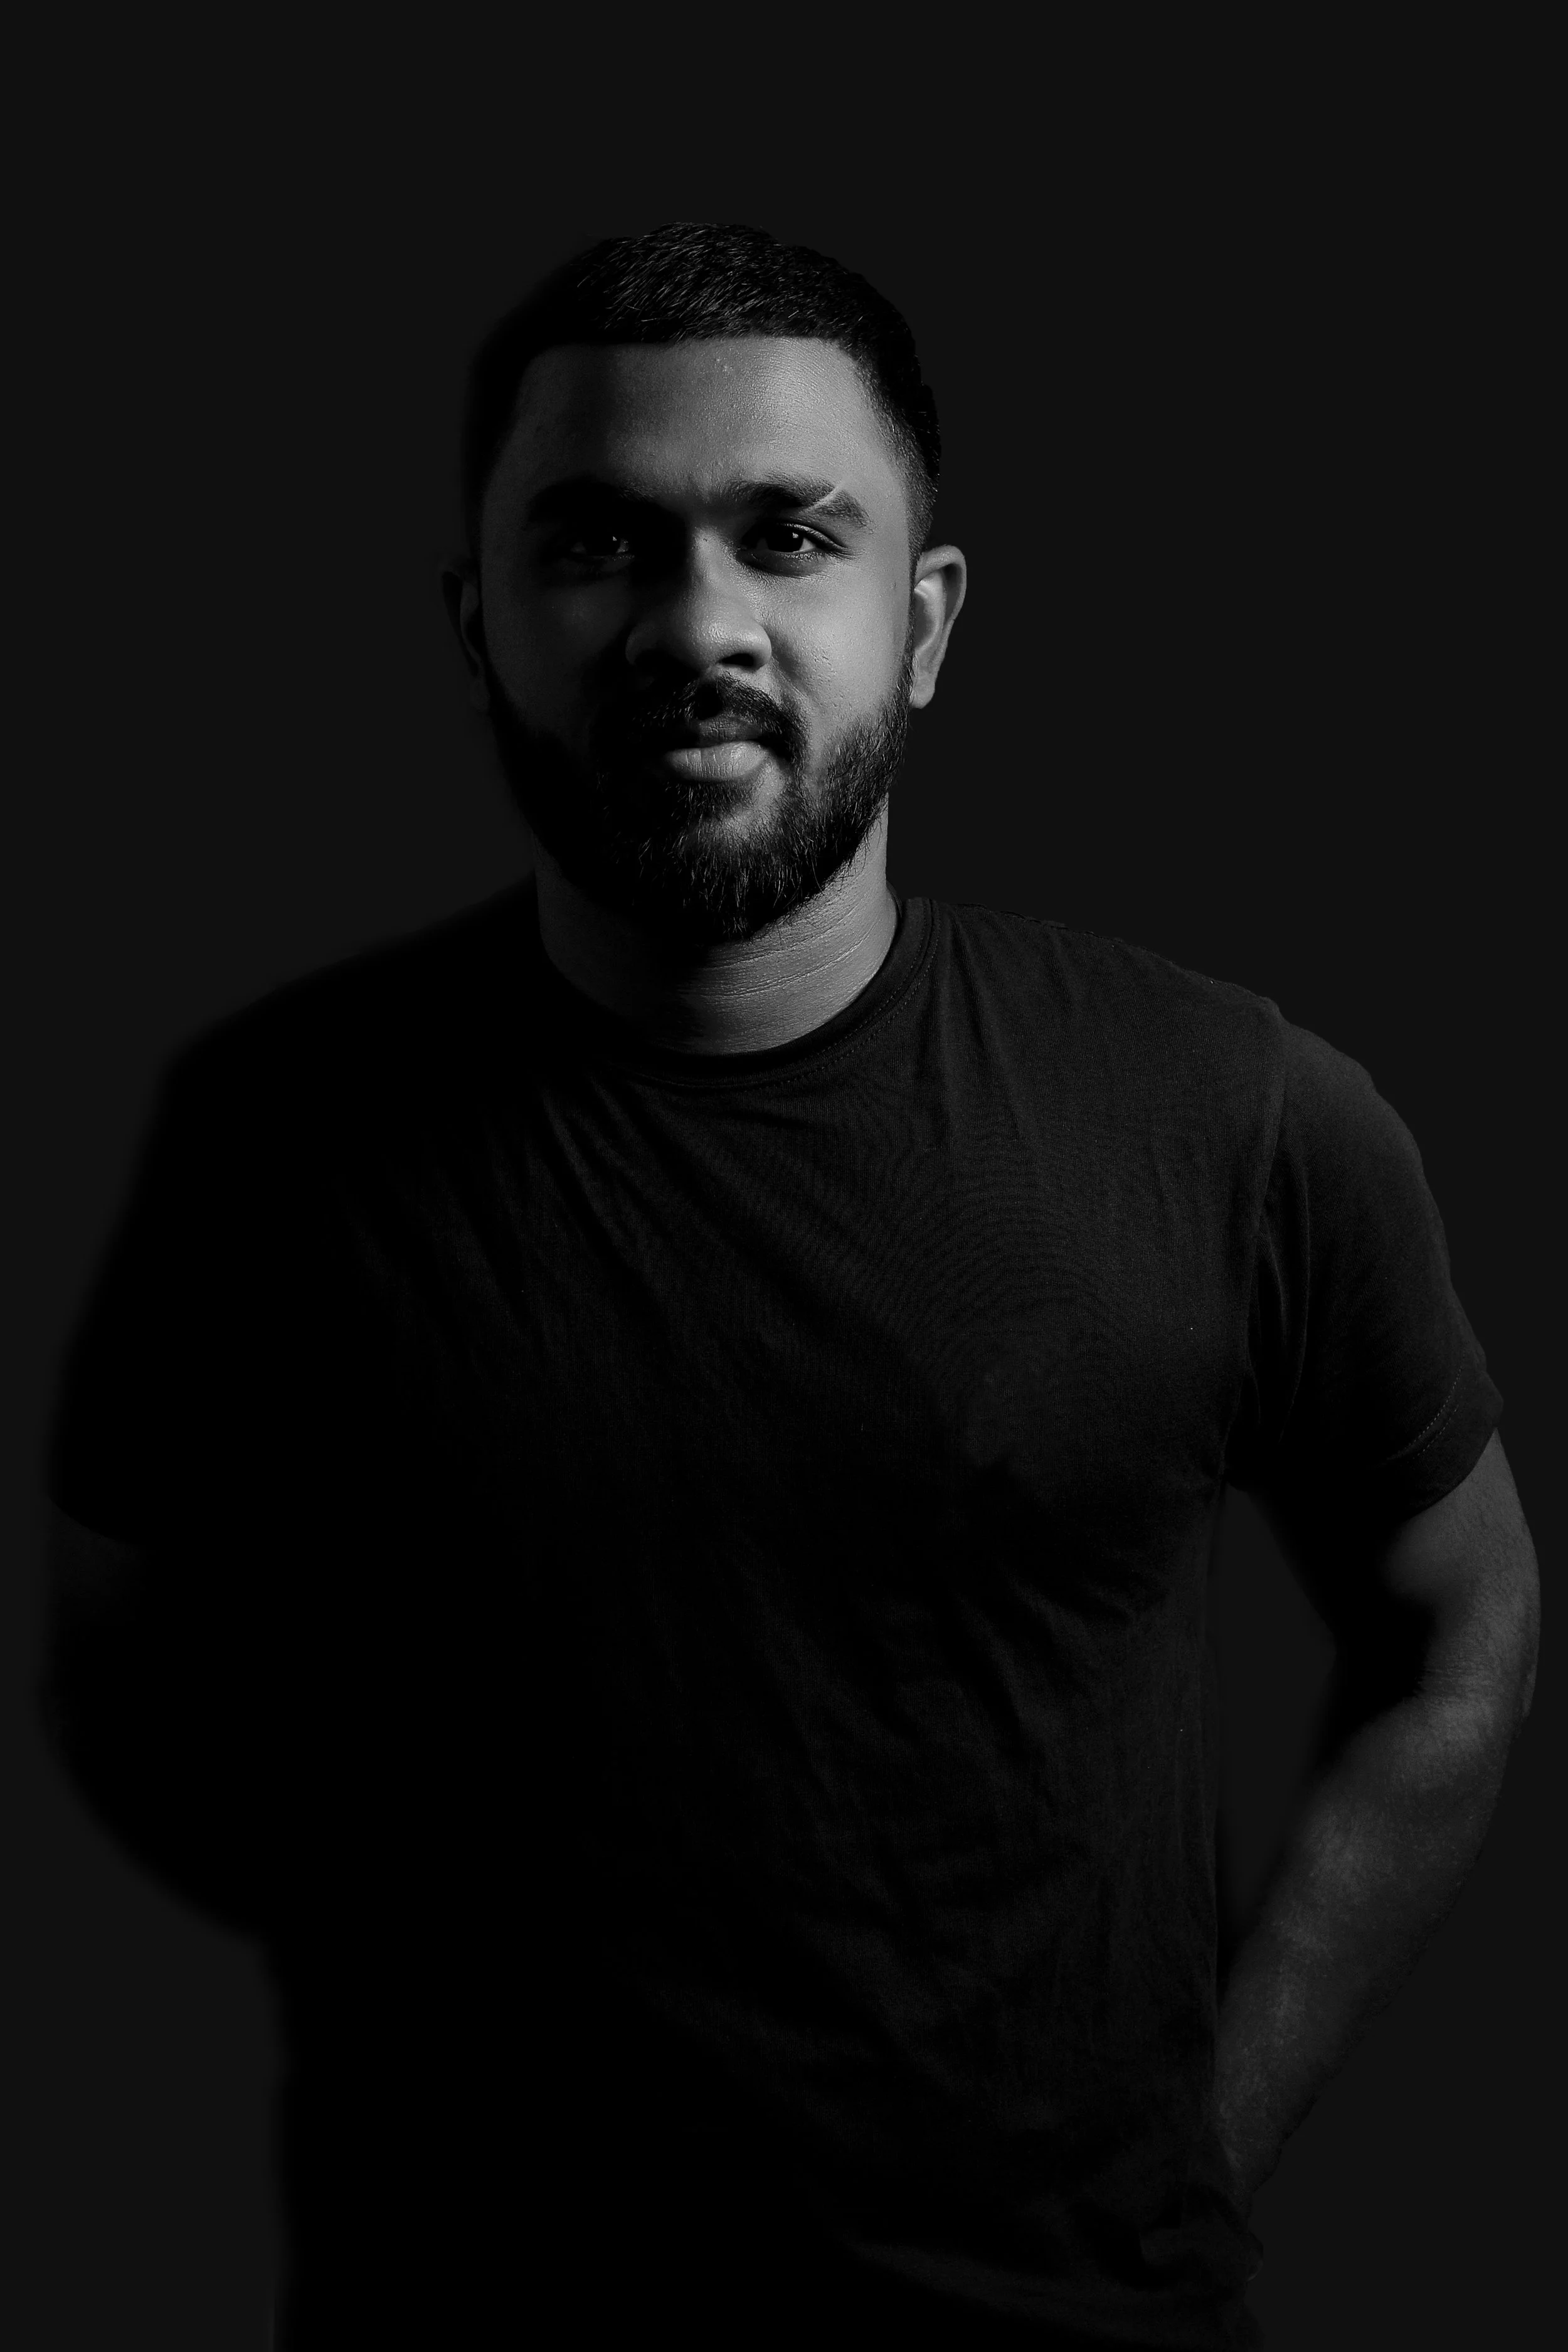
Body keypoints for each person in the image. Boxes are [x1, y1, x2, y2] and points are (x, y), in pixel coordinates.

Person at [37, 221, 1539, 2351]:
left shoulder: (1241, 1114)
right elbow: (116, 1652)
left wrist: (1203, 2136)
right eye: (600, 543)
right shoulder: (271, 1139)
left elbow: (1461, 1627)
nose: (696, 623)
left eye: (788, 535)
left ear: (919, 622)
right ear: (480, 626)